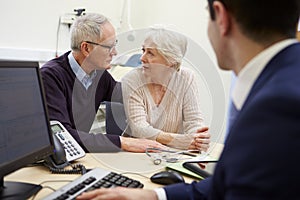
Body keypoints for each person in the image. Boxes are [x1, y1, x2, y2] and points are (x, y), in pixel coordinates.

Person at [76, 0, 300, 199]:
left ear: (220, 16)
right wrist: (155, 195)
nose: (142, 58)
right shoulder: (280, 83)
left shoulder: (279, 104)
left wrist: (193, 140)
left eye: (150, 53)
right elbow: (225, 184)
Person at [41, 13, 165, 153]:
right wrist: (122, 142)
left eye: (115, 45)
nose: (115, 52)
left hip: (80, 156)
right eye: (109, 47)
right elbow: (63, 136)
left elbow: (128, 96)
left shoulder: (98, 74)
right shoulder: (50, 77)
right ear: (86, 48)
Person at [121, 27, 210, 151]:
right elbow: (140, 129)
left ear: (170, 61)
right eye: (143, 50)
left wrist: (199, 138)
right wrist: (181, 141)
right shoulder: (131, 80)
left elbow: (194, 121)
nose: (142, 58)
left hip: (173, 153)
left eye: (150, 53)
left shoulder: (187, 78)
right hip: (139, 152)